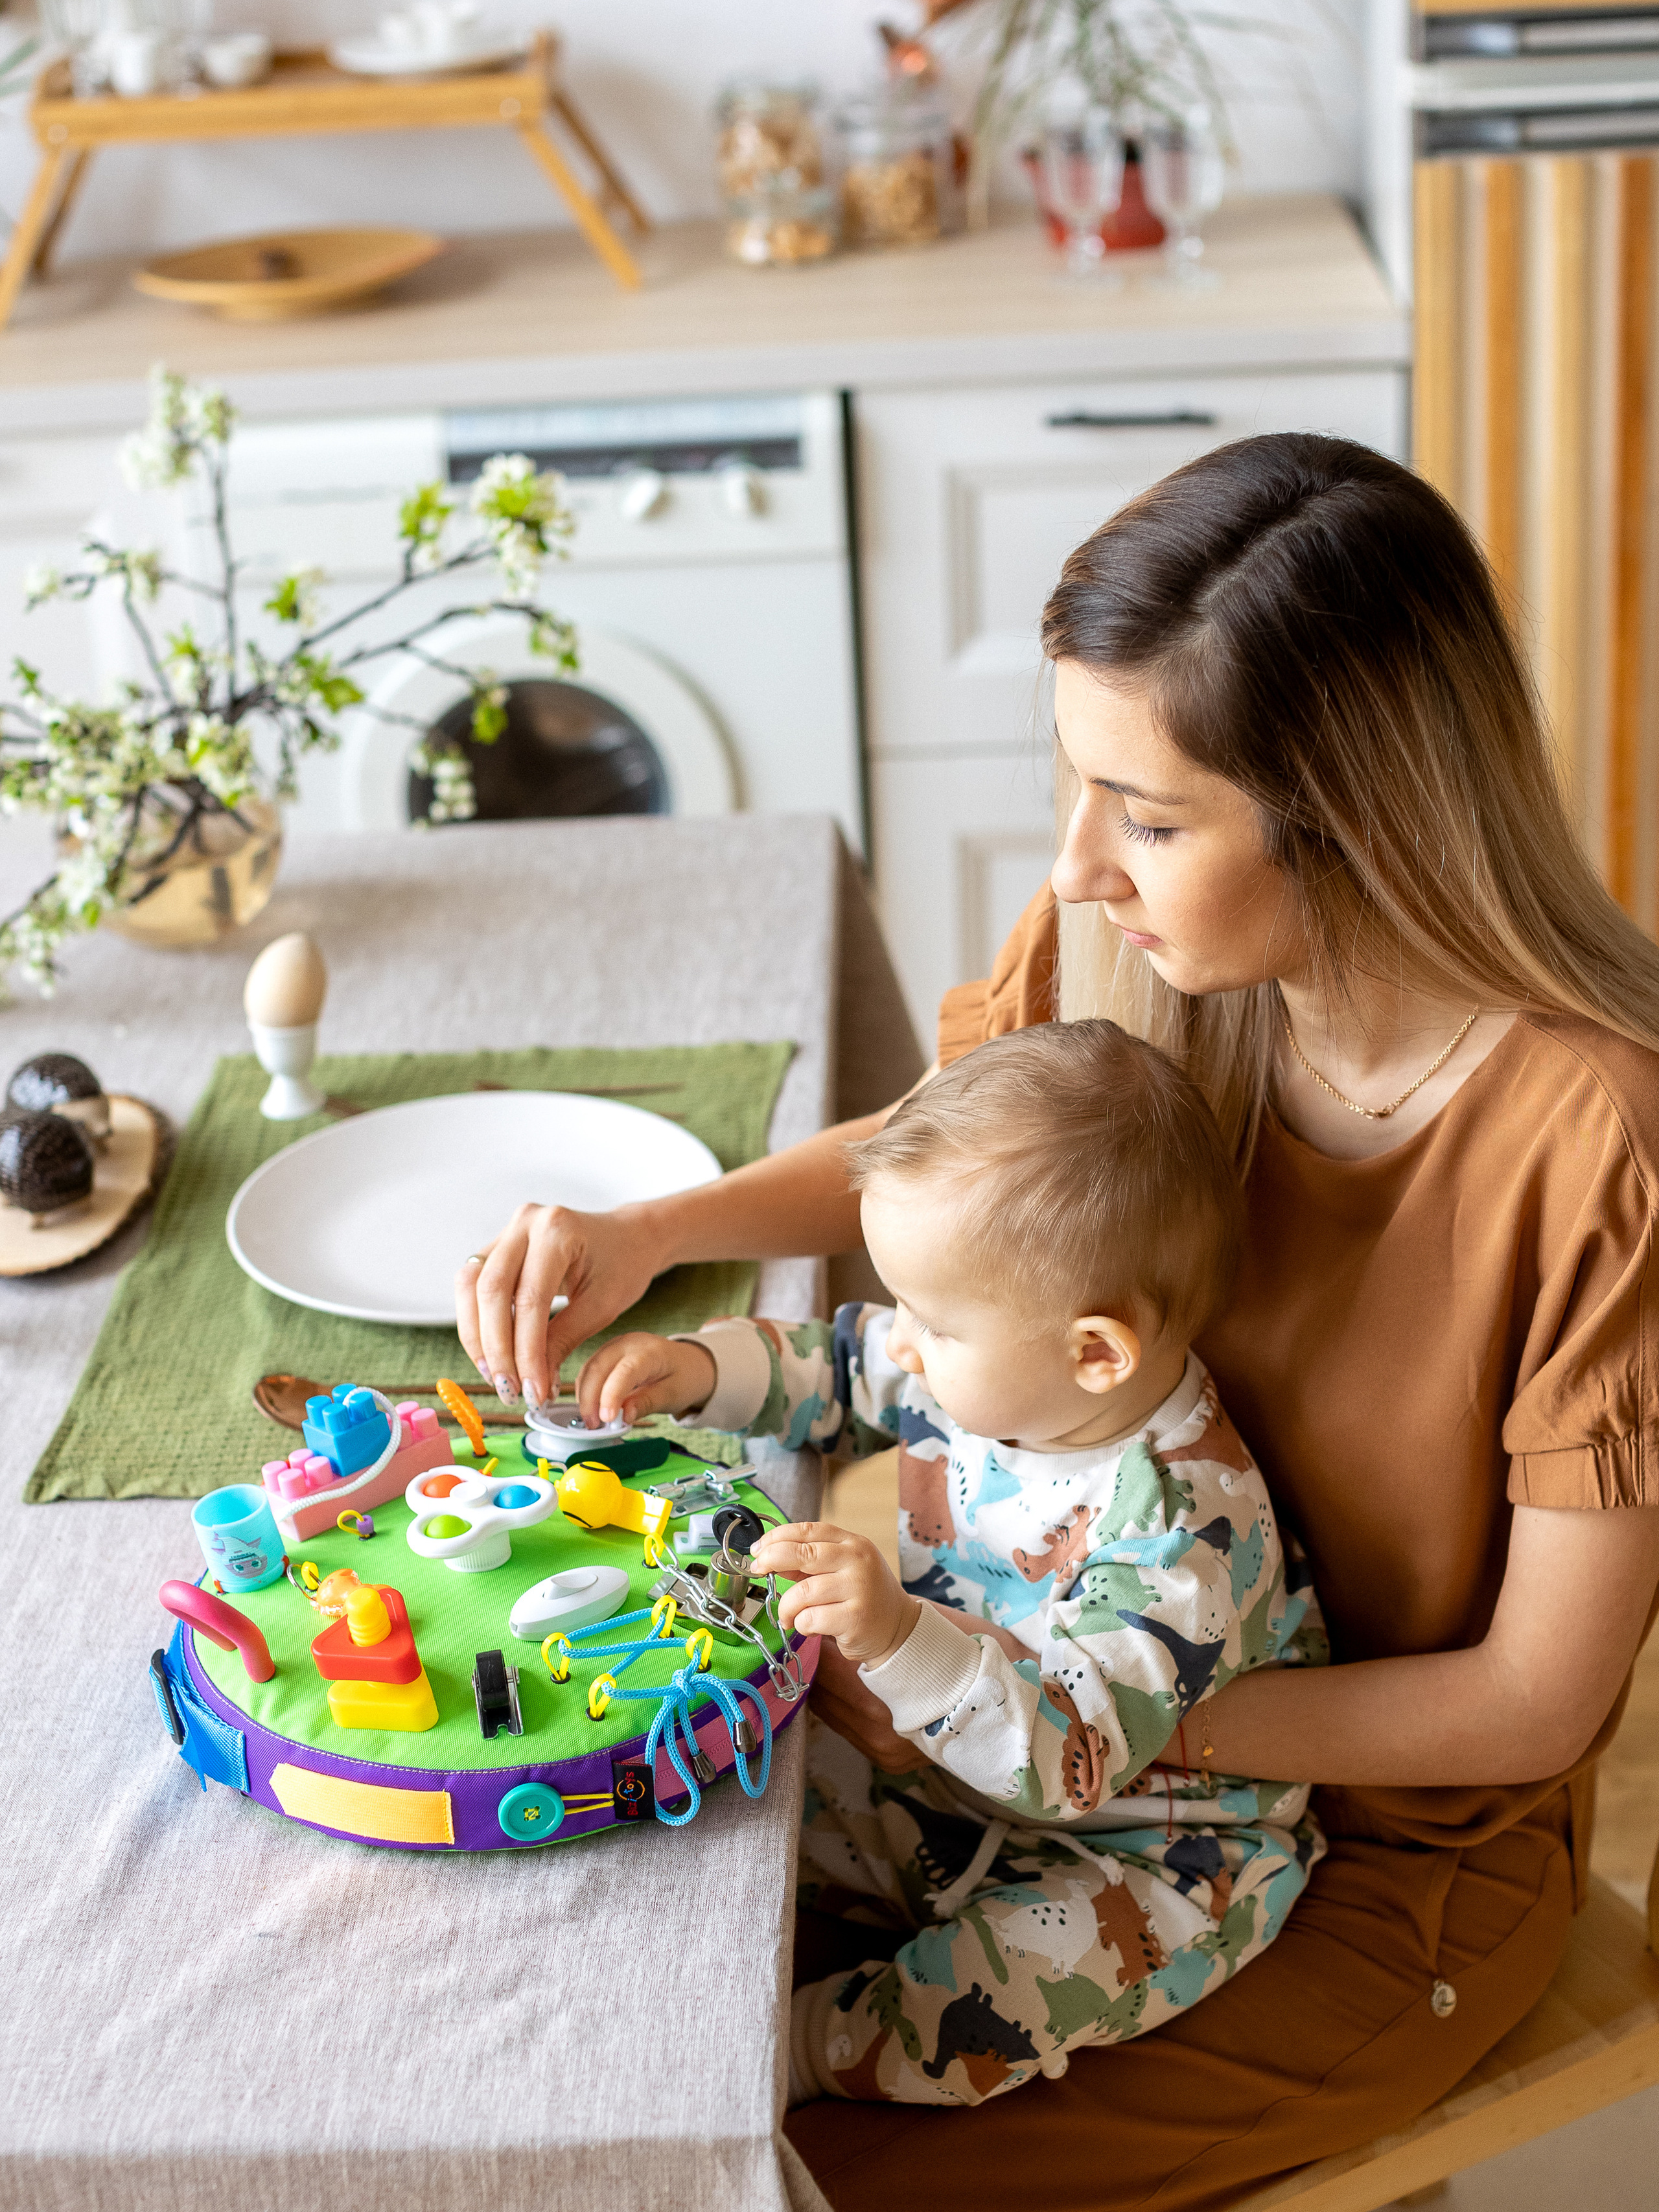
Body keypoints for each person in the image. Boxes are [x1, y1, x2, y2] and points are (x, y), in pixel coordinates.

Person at [458, 434, 1659, 2210]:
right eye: (1079, 784)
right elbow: (960, 1163)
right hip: (1016, 1730)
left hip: (1351, 1860)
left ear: (1356, 818)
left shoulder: (1598, 1145)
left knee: (755, 2157)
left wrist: (1038, 1707)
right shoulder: (1149, 947)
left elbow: (1529, 1700)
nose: (1083, 862)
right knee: (634, 1958)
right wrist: (661, 1228)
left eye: (1151, 816)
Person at [572, 1020, 1325, 2108]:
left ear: (1096, 1350)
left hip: (1144, 1849)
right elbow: (840, 1363)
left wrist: (895, 1637)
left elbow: (1064, 1755)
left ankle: (788, 2057)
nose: (906, 1340)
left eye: (931, 1320)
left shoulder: (1184, 1538)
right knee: (730, 1773)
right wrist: (699, 1368)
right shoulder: (1009, 1363)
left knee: (971, 2009)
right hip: (946, 1766)